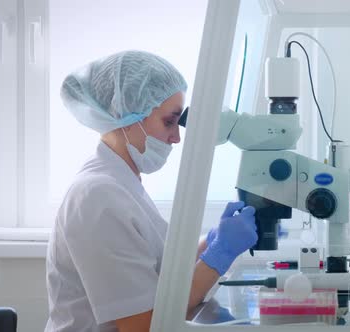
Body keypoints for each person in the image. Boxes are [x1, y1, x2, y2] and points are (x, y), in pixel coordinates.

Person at [45, 50, 258, 332]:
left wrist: (212, 242)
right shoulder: (98, 197)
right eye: (169, 121)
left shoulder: (122, 183)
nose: (176, 136)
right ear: (127, 115)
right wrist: (219, 256)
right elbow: (145, 324)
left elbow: (157, 273)